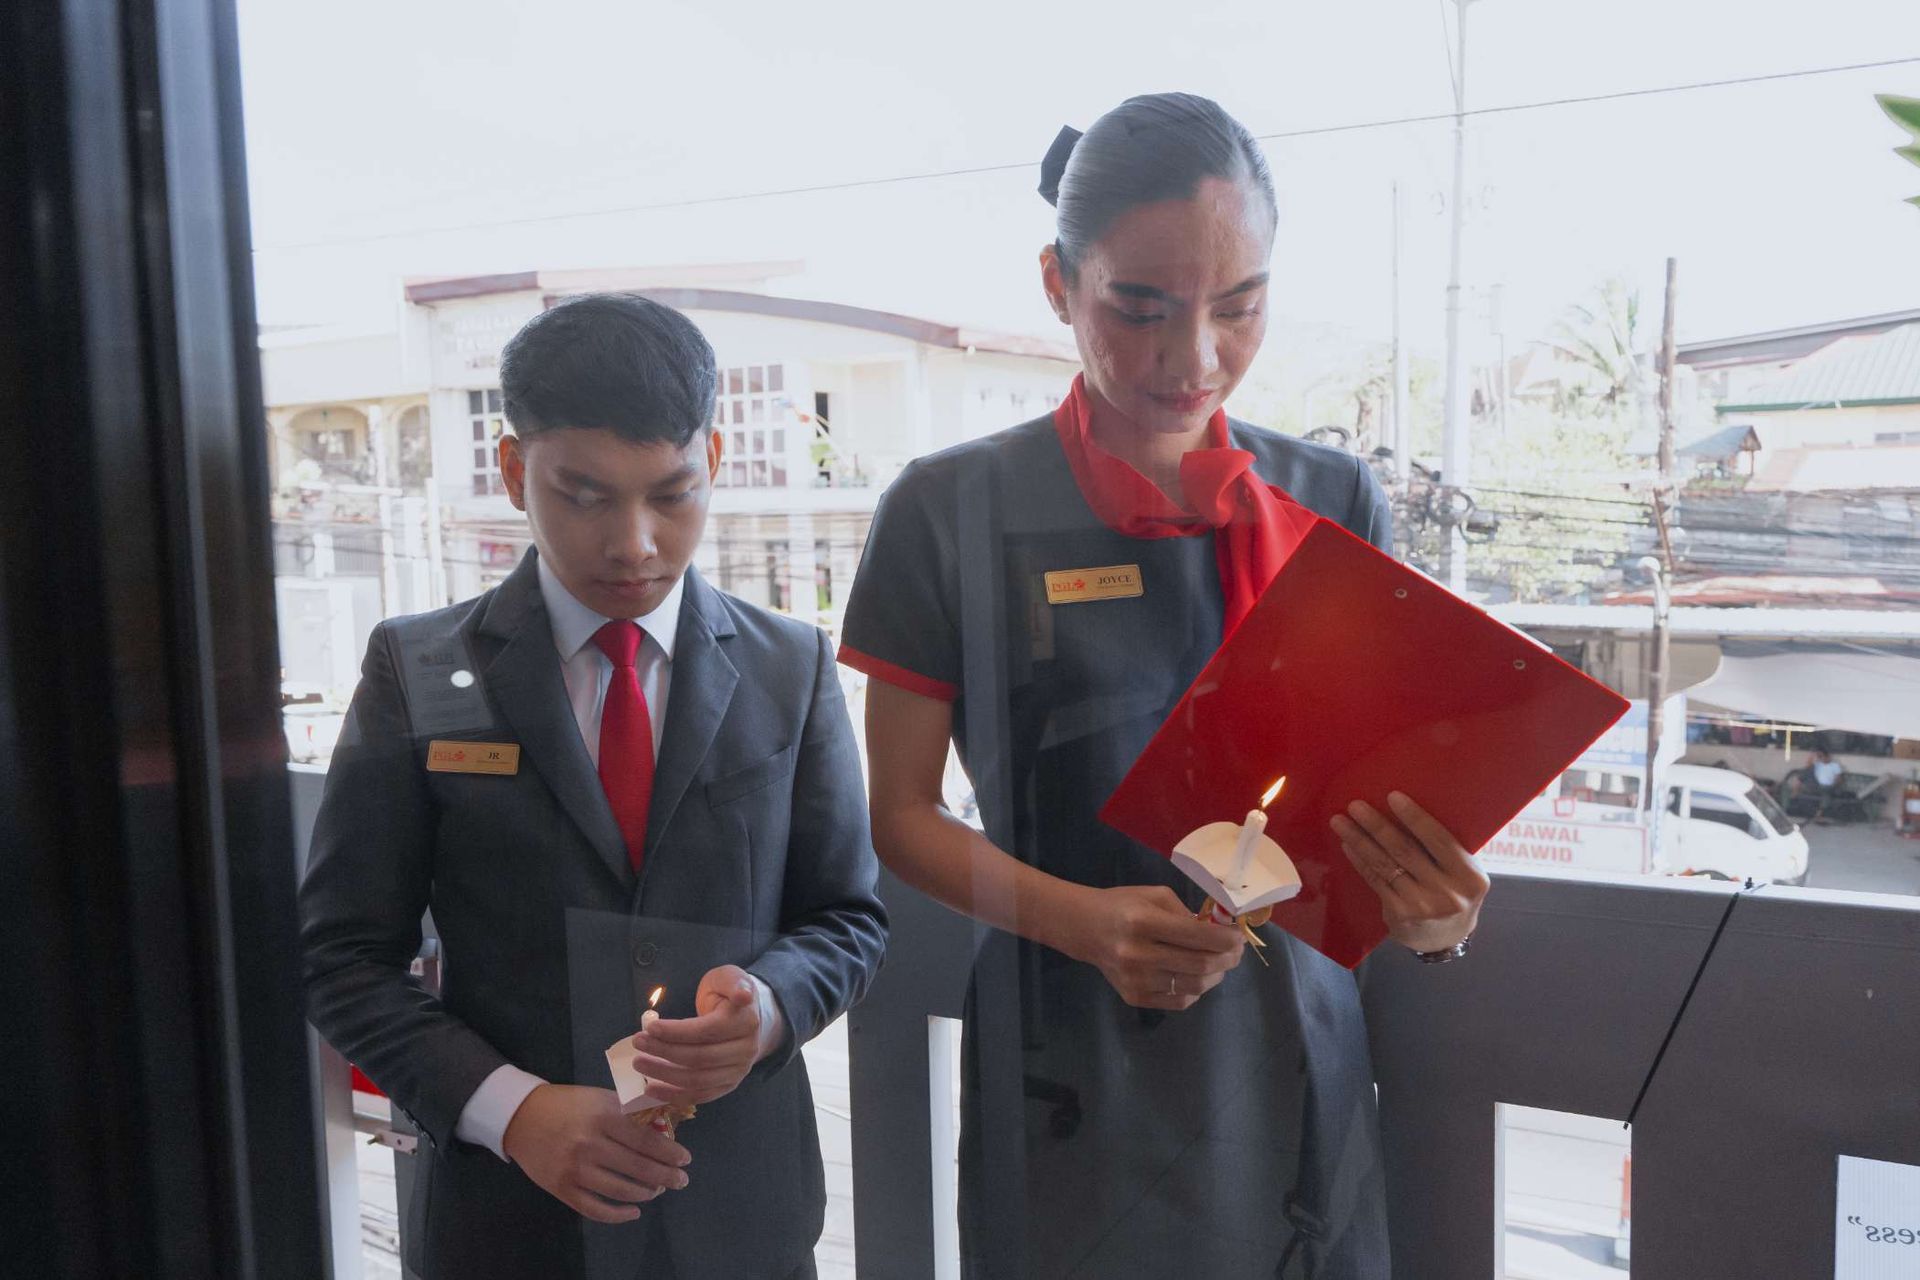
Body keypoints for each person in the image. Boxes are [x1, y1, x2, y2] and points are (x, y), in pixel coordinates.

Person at [839, 94, 1489, 1277]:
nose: (1193, 358)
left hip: (1302, 1045)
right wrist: (1083, 920)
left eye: (1239, 306)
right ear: (1058, 283)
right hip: (1068, 1060)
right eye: (1139, 308)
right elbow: (901, 815)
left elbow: (1375, 796)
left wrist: (1431, 912)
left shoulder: (1333, 499)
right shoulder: (948, 510)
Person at [300, 293, 887, 1280]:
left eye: (673, 494)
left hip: (739, 1216)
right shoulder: (423, 668)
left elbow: (848, 917)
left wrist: (771, 1005)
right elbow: (344, 955)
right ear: (514, 470)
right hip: (509, 1223)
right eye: (585, 496)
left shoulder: (790, 666)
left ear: (715, 459)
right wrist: (514, 1110)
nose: (635, 543)